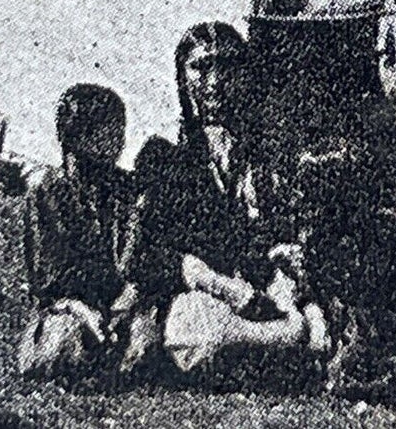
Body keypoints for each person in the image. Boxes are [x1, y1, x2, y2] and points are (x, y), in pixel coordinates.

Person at [137, 22, 327, 387]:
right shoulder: (163, 158)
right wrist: (217, 283)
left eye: (227, 66)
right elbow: (149, 254)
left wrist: (296, 291)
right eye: (202, 67)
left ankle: (277, 343)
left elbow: (279, 241)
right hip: (202, 297)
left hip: (264, 295)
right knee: (194, 328)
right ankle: (284, 344)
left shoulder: (265, 159)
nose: (214, 81)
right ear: (182, 75)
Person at [289, 141, 396, 403]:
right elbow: (310, 286)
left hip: (394, 336)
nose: (305, 199)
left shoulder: (385, 233)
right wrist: (315, 313)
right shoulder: (318, 239)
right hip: (355, 337)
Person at [18, 84, 153, 382]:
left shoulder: (128, 191)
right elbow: (48, 279)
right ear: (79, 136)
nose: (118, 141)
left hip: (123, 305)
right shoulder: (47, 193)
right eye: (109, 131)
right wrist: (83, 311)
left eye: (120, 130)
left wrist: (126, 302)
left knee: (144, 347)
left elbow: (140, 258)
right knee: (60, 349)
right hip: (70, 308)